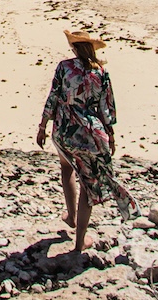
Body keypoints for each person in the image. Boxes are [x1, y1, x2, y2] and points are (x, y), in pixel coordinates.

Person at [36, 29, 138, 252]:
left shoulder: (64, 67)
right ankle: (79, 240)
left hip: (64, 129)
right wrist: (109, 134)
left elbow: (53, 96)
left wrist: (43, 125)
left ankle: (71, 216)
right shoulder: (101, 72)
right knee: (87, 185)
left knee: (66, 168)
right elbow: (106, 107)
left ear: (74, 48)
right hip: (90, 133)